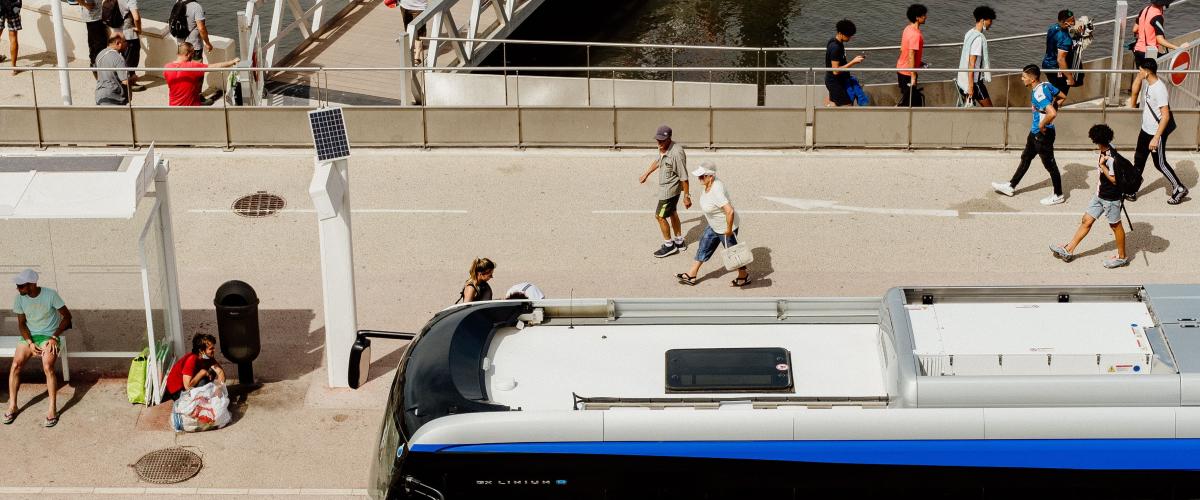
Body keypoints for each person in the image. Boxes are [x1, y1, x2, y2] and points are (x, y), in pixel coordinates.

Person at [1049, 124, 1131, 268]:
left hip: (1110, 199)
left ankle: (1122, 257)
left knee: (1116, 226)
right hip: (1099, 195)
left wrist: (1103, 166)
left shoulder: (1111, 158)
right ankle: (1068, 250)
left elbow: (1114, 180)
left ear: (1097, 141)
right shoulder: (1109, 146)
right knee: (1086, 220)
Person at [5, 269, 72, 428]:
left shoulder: (50, 295)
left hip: (49, 336)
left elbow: (67, 317)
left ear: (33, 284)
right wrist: (29, 342)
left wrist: (54, 337)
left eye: (21, 286)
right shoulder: (19, 299)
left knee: (47, 366)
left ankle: (52, 409)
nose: (18, 288)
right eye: (18, 286)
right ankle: (13, 405)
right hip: (31, 337)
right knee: (15, 365)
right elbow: (21, 324)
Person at [992, 65, 1067, 205]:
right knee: (1026, 157)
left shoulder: (1039, 94)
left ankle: (1058, 194)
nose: (1022, 79)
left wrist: (1042, 124)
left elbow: (1052, 113)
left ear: (1032, 79)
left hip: (1042, 134)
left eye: (1024, 77)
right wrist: (1053, 107)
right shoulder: (1046, 85)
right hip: (1034, 133)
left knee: (1050, 165)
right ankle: (1011, 186)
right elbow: (1062, 96)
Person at [675, 161, 750, 287]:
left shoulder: (716, 190)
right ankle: (692, 274)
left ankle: (744, 276)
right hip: (714, 225)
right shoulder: (708, 184)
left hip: (725, 228)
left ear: (711, 176)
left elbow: (730, 211)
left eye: (702, 176)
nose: (699, 178)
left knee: (734, 254)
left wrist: (729, 229)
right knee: (704, 245)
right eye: (699, 176)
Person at [1129, 58, 1188, 204]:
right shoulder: (1149, 84)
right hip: (1145, 130)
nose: (1139, 72)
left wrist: (1156, 138)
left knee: (1159, 163)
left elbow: (1165, 116)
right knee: (1139, 160)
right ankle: (1132, 190)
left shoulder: (1159, 89)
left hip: (1155, 133)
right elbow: (1136, 92)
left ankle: (1179, 187)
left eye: (1140, 69)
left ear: (1147, 71)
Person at [639, 125, 690, 257]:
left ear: (669, 138)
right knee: (672, 212)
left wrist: (687, 196)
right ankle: (679, 241)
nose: (659, 143)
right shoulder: (664, 148)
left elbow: (684, 176)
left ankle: (669, 245)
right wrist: (646, 174)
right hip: (668, 189)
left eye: (662, 140)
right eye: (658, 140)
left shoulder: (676, 153)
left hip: (669, 191)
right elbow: (659, 161)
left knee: (660, 216)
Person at [164, 42, 238, 106]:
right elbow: (214, 67)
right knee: (210, 104)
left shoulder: (167, 67)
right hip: (192, 107)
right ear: (188, 54)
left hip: (173, 106)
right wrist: (232, 62)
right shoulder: (192, 66)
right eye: (193, 54)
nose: (193, 56)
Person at [164, 333, 225, 401]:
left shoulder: (209, 358)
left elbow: (220, 372)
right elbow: (187, 387)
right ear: (201, 351)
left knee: (212, 372)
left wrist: (219, 388)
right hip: (177, 391)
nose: (214, 350)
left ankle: (206, 397)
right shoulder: (191, 359)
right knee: (204, 379)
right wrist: (202, 373)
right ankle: (202, 400)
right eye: (211, 348)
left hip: (188, 385)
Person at [956, 6, 995, 107]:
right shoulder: (978, 39)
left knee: (968, 108)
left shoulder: (969, 33)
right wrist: (971, 86)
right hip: (975, 82)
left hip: (965, 79)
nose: (991, 23)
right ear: (982, 20)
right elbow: (971, 63)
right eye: (990, 20)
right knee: (991, 110)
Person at [1131, 0, 1188, 68]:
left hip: (1137, 50)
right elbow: (1160, 40)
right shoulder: (1157, 16)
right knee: (1151, 75)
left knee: (1142, 75)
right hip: (1149, 53)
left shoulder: (1144, 10)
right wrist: (1177, 48)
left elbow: (1135, 29)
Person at [825, 19, 865, 107]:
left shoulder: (834, 42)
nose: (850, 38)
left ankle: (829, 115)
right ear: (840, 33)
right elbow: (835, 71)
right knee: (847, 105)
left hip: (836, 80)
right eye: (848, 35)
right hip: (835, 82)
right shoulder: (836, 48)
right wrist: (853, 62)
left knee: (834, 103)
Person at [895, 4, 927, 107]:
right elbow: (911, 55)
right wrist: (913, 75)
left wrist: (919, 63)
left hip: (902, 68)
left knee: (908, 98)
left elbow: (902, 48)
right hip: (907, 72)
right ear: (917, 18)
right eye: (923, 15)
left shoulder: (907, 28)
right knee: (911, 102)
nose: (926, 17)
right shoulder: (915, 35)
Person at [1043, 9, 1077, 96]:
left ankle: (1046, 107)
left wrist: (1075, 33)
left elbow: (1060, 37)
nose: (1074, 22)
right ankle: (1046, 108)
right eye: (1072, 20)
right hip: (1055, 69)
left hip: (1046, 63)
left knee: (1055, 93)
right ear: (1065, 22)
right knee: (1061, 96)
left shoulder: (1053, 27)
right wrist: (1070, 78)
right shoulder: (1065, 39)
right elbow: (1060, 60)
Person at [94, 33, 130, 106]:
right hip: (114, 98)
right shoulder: (118, 58)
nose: (127, 45)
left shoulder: (100, 54)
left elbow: (95, 73)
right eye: (125, 41)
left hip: (100, 96)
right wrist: (133, 78)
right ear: (118, 43)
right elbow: (125, 81)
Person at [117, 0, 144, 90]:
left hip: (117, 32)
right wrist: (139, 29)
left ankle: (122, 78)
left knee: (123, 58)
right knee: (131, 59)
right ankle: (129, 84)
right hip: (129, 34)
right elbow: (136, 18)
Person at [77, 0, 107, 67]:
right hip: (94, 18)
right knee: (99, 43)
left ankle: (94, 62)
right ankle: (97, 64)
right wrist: (85, 4)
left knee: (93, 41)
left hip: (95, 17)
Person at [399, 0, 427, 65]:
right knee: (408, 29)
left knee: (419, 31)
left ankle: (417, 55)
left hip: (420, 7)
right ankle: (415, 47)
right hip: (404, 5)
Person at [1, 0, 20, 73]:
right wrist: (15, 12)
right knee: (13, 37)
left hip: (0, 7)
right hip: (13, 8)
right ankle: (13, 67)